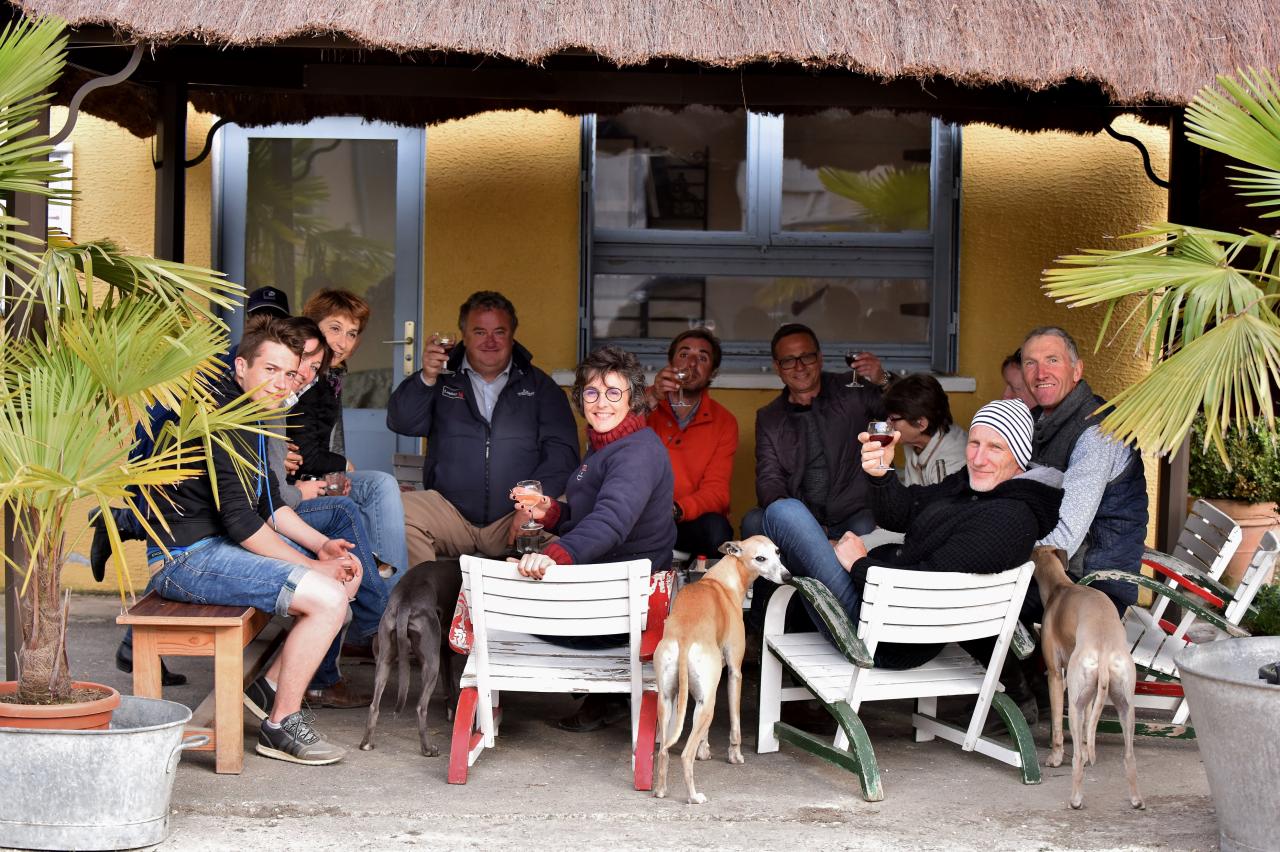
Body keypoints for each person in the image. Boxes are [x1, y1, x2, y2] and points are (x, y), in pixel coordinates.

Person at [148, 317, 362, 765]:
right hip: (186, 559)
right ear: (241, 366)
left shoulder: (253, 415)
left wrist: (323, 547)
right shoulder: (217, 416)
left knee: (343, 577)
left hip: (219, 548)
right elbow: (241, 523)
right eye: (270, 370)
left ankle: (267, 688)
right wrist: (311, 570)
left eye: (289, 373)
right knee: (326, 596)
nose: (281, 382)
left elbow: (267, 506)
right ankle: (280, 725)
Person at [759, 399, 1062, 672]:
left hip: (886, 635)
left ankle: (772, 652)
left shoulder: (1008, 518)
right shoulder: (973, 488)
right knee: (792, 539)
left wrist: (859, 564)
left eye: (995, 447)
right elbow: (903, 513)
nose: (978, 458)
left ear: (1020, 457)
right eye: (974, 443)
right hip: (884, 607)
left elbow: (929, 585)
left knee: (785, 514)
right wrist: (882, 474)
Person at [510, 345, 677, 731]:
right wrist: (550, 511)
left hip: (617, 613)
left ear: (634, 400)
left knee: (495, 597)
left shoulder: (636, 452)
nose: (601, 403)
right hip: (604, 594)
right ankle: (606, 699)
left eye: (613, 393)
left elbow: (611, 522)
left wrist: (553, 554)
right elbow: (593, 516)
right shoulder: (606, 447)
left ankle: (604, 694)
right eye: (591, 393)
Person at [387, 290, 579, 564]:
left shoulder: (540, 388)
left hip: (514, 517)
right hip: (451, 515)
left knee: (571, 532)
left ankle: (526, 605)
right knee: (395, 512)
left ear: (512, 335)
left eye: (499, 332)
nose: (490, 341)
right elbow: (402, 422)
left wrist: (531, 503)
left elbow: (562, 454)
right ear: (464, 336)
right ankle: (425, 599)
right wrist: (427, 377)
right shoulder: (443, 381)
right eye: (479, 332)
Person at [266, 316, 387, 709]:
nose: (304, 372)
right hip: (260, 519)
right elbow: (260, 495)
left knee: (346, 532)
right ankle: (377, 615)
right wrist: (301, 489)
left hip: (277, 506)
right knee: (342, 514)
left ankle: (372, 611)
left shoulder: (291, 394)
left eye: (314, 366)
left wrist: (301, 481)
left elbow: (278, 473)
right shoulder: (268, 393)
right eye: (302, 360)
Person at [289, 289, 409, 602]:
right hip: (290, 491)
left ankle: (383, 585)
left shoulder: (329, 377)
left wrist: (339, 468)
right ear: (312, 328)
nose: (343, 343)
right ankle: (393, 599)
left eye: (352, 333)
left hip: (310, 481)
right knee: (377, 487)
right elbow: (304, 455)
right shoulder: (301, 377)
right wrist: (342, 465)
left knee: (376, 490)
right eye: (335, 329)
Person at [1021, 326, 1148, 614]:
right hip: (1049, 573)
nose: (1040, 373)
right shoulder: (1038, 421)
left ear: (1076, 370)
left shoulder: (1097, 434)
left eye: (1052, 360)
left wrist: (996, 538)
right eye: (1030, 363)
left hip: (1090, 586)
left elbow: (1062, 541)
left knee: (973, 598)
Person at [743, 323, 890, 540]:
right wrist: (798, 522)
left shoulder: (852, 389)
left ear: (820, 358)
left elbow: (900, 411)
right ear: (777, 367)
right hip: (800, 520)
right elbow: (769, 478)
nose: (799, 367)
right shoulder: (769, 417)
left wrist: (883, 380)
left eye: (806, 357)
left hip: (853, 513)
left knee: (867, 526)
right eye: (788, 361)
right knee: (753, 521)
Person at [643, 327, 737, 559]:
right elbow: (611, 439)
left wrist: (676, 510)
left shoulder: (724, 421)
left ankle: (703, 592)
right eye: (684, 354)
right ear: (670, 362)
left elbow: (717, 493)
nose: (691, 363)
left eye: (702, 358)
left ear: (712, 372)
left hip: (685, 519)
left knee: (718, 530)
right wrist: (653, 397)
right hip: (638, 515)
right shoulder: (641, 402)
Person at [883, 373, 967, 486]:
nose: (888, 423)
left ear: (921, 424)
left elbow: (941, 502)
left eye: (893, 419)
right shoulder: (915, 438)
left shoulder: (952, 462)